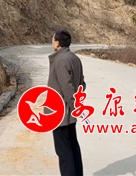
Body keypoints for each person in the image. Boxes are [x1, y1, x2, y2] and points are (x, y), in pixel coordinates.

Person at [48, 29, 85, 176]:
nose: (52, 42)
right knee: (73, 147)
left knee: (64, 153)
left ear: (57, 43)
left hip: (60, 114)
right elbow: (82, 85)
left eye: (53, 39)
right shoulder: (75, 58)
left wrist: (74, 106)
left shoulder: (60, 60)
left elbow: (67, 88)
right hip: (70, 114)